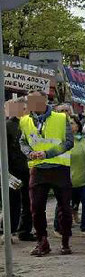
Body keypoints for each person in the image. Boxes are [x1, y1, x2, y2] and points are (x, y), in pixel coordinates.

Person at [20, 90, 75, 256]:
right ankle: (42, 241)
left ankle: (65, 240)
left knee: (65, 208)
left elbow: (68, 142)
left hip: (59, 168)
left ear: (45, 100)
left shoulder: (61, 118)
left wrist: (47, 153)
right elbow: (23, 141)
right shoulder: (24, 120)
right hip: (38, 169)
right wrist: (29, 152)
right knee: (36, 208)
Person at [5, 98, 34, 241]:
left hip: (29, 168)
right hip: (13, 170)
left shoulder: (31, 124)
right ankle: (9, 231)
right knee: (13, 201)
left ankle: (25, 230)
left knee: (29, 200)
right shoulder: (8, 126)